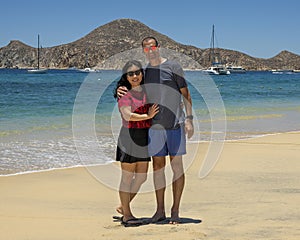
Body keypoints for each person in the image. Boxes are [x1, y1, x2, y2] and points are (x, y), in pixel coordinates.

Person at [117, 37, 194, 224]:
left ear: (158, 48)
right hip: (154, 128)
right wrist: (118, 89)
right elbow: (131, 83)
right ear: (144, 51)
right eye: (146, 48)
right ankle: (160, 211)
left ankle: (175, 210)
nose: (150, 50)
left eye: (153, 46)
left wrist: (189, 119)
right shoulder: (145, 71)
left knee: (177, 168)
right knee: (158, 170)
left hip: (175, 125)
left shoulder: (174, 67)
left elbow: (186, 94)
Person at [114, 60, 159, 226]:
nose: (134, 76)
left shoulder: (147, 91)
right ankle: (127, 215)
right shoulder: (124, 93)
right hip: (129, 136)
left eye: (137, 72)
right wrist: (147, 116)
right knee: (127, 177)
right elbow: (127, 115)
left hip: (144, 137)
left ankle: (122, 206)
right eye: (130, 74)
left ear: (142, 74)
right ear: (126, 77)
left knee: (141, 177)